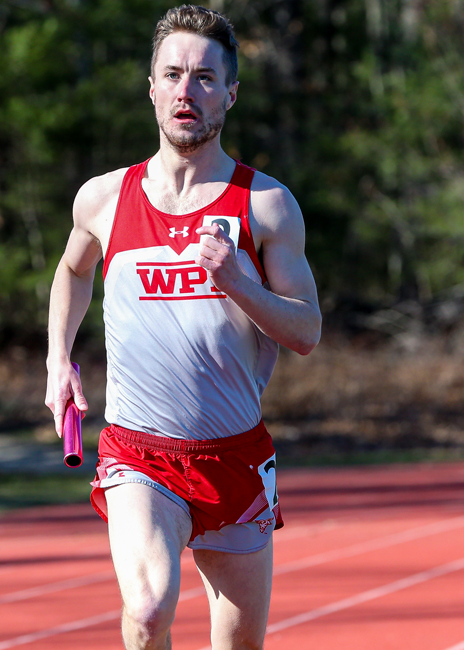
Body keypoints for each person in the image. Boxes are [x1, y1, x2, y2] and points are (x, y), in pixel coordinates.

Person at [45, 5, 320, 649]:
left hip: (234, 455)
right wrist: (58, 358)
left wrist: (238, 282)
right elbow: (72, 271)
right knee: (147, 610)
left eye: (204, 77)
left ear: (230, 93)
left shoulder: (265, 205)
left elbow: (306, 331)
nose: (185, 91)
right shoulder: (104, 198)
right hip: (138, 451)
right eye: (172, 75)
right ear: (151, 87)